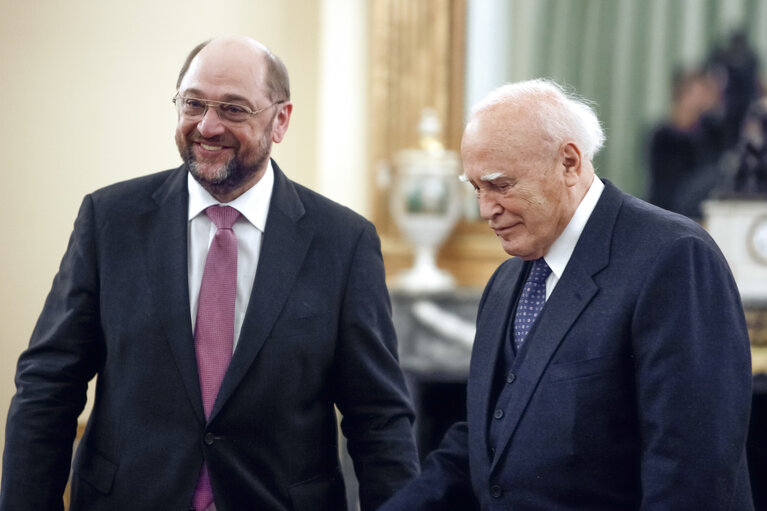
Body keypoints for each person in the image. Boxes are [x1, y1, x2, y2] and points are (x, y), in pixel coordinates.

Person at [1, 36, 418, 511]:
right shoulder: (110, 219)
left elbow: (379, 419)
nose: (208, 125)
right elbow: (47, 387)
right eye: (193, 103)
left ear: (280, 120)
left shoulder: (344, 242)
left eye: (234, 110)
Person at [381, 79, 754, 510]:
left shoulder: (674, 258)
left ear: (570, 162)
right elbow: (486, 442)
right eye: (476, 188)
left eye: (501, 185)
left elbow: (692, 476)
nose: (486, 210)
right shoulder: (506, 282)